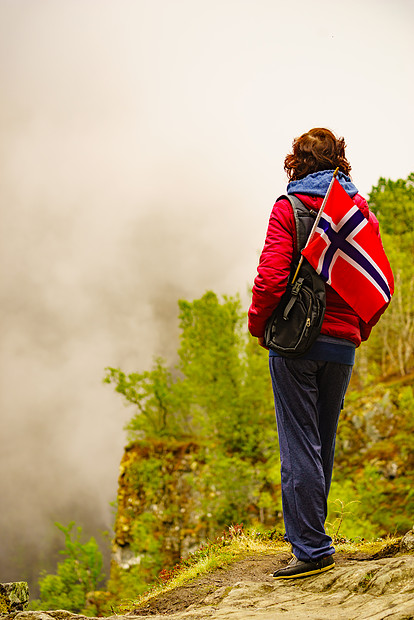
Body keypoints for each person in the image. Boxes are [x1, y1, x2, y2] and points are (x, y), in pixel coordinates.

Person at [248, 128, 384, 579]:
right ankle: (314, 536)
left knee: (299, 445)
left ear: (297, 164)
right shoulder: (359, 213)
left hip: (295, 343)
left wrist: (258, 326)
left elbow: (270, 281)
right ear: (339, 162)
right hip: (341, 345)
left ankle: (310, 548)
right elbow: (377, 283)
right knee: (320, 443)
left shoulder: (289, 208)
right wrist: (357, 330)